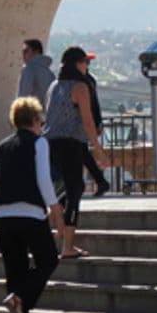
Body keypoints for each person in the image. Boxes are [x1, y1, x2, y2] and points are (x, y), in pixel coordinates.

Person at [0, 96, 62, 313]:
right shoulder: (39, 143)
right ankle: (19, 299)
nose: (41, 124)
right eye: (40, 119)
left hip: (3, 215)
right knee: (49, 259)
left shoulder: (2, 146)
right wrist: (55, 209)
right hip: (29, 212)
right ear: (33, 119)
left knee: (15, 271)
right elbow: (43, 178)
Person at [43, 46, 110, 258]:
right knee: (74, 190)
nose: (86, 66)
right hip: (70, 143)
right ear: (77, 64)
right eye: (84, 62)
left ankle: (49, 227)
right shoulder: (80, 87)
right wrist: (98, 149)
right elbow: (87, 121)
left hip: (50, 142)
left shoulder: (53, 86)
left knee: (67, 189)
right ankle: (68, 246)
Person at [79, 56, 112, 197]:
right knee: (82, 153)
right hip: (86, 123)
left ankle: (97, 181)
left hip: (81, 123)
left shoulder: (84, 81)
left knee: (81, 152)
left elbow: (93, 104)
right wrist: (98, 122)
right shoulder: (89, 80)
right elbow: (96, 105)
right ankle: (99, 181)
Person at [16, 39, 54, 106]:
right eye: (22, 52)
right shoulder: (51, 74)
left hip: (27, 113)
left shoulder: (28, 69)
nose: (23, 55)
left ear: (36, 52)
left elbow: (23, 97)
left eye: (26, 51)